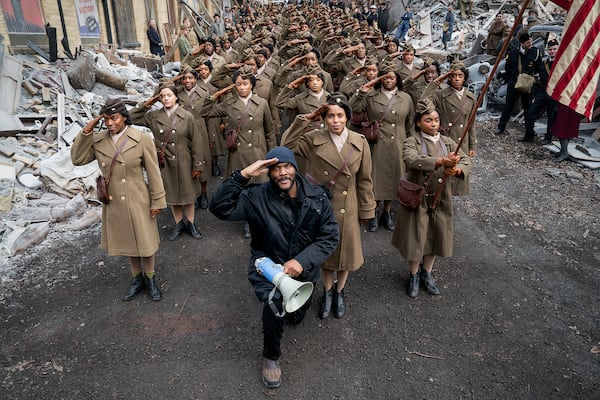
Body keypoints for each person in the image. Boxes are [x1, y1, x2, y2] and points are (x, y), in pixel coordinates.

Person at [209, 146, 339, 389]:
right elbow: (219, 207)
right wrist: (243, 175)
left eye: (287, 166)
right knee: (275, 304)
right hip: (266, 265)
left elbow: (330, 236)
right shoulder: (254, 197)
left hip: (303, 271)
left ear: (295, 168)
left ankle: (294, 305)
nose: (282, 173)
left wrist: (302, 261)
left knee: (295, 317)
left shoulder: (317, 197)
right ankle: (271, 356)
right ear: (268, 172)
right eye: (276, 168)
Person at [281, 94, 376, 319]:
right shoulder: (313, 138)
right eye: (330, 115)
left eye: (340, 115)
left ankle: (340, 291)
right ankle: (327, 290)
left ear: (347, 118)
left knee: (345, 254)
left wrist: (367, 209)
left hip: (348, 205)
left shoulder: (359, 141)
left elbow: (365, 180)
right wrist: (306, 119)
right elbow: (285, 146)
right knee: (324, 253)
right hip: (320, 206)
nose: (335, 120)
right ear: (324, 118)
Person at [70, 99, 166, 301]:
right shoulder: (98, 139)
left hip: (138, 196)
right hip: (114, 201)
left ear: (124, 117)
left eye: (114, 118)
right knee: (128, 241)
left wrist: (157, 201)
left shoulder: (141, 138)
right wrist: (87, 131)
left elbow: (153, 172)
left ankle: (150, 277)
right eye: (106, 119)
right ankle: (136, 278)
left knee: (145, 241)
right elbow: (77, 159)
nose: (110, 123)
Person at [392, 99, 472, 298]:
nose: (434, 124)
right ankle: (413, 274)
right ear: (419, 123)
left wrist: (458, 169)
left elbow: (465, 159)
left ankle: (427, 273)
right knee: (416, 237)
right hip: (418, 198)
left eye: (436, 120)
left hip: (441, 197)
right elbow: (411, 159)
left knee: (436, 235)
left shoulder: (447, 142)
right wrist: (439, 161)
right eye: (429, 120)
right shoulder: (412, 141)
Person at [201, 66, 276, 238]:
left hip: (258, 152)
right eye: (238, 84)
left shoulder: (262, 103)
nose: (242, 87)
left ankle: (262, 220)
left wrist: (272, 157)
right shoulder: (228, 104)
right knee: (244, 190)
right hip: (238, 154)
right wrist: (215, 96)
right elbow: (205, 112)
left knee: (261, 188)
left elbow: (269, 132)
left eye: (245, 84)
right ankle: (249, 221)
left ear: (252, 85)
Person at [130, 81, 206, 241]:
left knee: (188, 194)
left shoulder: (187, 116)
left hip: (185, 161)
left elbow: (197, 142)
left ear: (176, 97)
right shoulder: (153, 116)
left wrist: (198, 164)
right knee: (172, 194)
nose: (165, 99)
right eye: (162, 96)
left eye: (169, 95)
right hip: (165, 163)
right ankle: (178, 223)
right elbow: (131, 117)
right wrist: (147, 103)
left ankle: (191, 223)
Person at [349, 63, 415, 232]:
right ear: (380, 79)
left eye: (392, 78)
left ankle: (387, 211)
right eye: (385, 77)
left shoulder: (405, 98)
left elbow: (410, 124)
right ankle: (374, 212)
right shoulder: (371, 96)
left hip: (398, 144)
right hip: (377, 143)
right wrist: (362, 91)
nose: (388, 81)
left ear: (397, 80)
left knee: (394, 180)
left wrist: (411, 144)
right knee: (375, 179)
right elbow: (353, 108)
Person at [421, 61, 476, 195]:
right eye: (453, 75)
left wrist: (472, 145)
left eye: (460, 75)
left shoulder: (470, 97)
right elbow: (423, 101)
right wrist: (437, 82)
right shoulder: (441, 95)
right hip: (446, 140)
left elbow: (471, 123)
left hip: (462, 141)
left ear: (465, 77)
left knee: (456, 172)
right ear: (449, 78)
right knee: (441, 175)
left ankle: (448, 202)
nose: (457, 79)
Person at [176, 65, 213, 209]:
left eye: (190, 78)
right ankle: (195, 194)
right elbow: (160, 92)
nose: (187, 81)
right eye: (184, 78)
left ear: (196, 79)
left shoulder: (203, 93)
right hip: (183, 132)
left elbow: (210, 117)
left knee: (202, 163)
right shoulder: (177, 94)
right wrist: (176, 78)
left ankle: (204, 193)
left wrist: (212, 138)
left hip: (200, 131)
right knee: (188, 163)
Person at [496, 32, 545, 135]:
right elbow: (508, 67)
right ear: (522, 43)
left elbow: (539, 67)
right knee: (508, 106)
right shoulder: (513, 53)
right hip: (514, 82)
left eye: (531, 42)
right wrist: (511, 79)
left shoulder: (535, 52)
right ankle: (501, 127)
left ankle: (529, 132)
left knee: (528, 108)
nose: (530, 44)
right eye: (528, 42)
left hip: (527, 83)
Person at [522, 39, 559, 144]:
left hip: (554, 94)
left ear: (558, 49)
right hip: (542, 93)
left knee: (551, 117)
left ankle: (548, 138)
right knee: (530, 114)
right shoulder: (544, 62)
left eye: (554, 49)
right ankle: (529, 135)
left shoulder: (560, 64)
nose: (552, 51)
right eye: (550, 49)